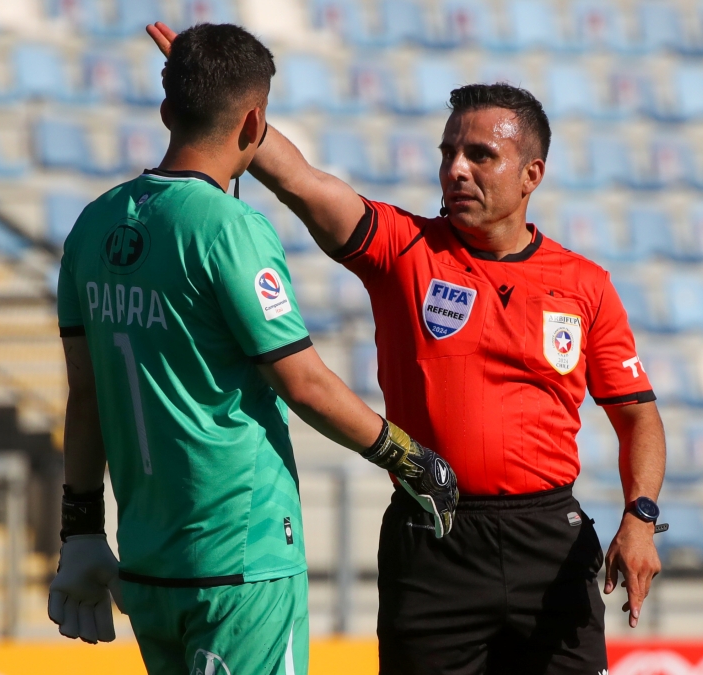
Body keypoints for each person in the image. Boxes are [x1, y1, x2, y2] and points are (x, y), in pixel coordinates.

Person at [148, 22, 667, 675]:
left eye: (480, 155)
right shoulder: (403, 249)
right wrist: (224, 102)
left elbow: (638, 416)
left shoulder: (584, 284)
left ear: (531, 174)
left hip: (549, 542)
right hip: (432, 536)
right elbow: (300, 181)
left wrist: (640, 516)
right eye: (448, 152)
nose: (456, 169)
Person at [48, 23, 459, 675]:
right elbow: (303, 383)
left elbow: (86, 392)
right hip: (241, 558)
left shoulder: (93, 223)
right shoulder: (231, 229)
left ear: (166, 112)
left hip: (148, 560)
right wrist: (408, 456)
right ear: (254, 123)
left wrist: (80, 526)